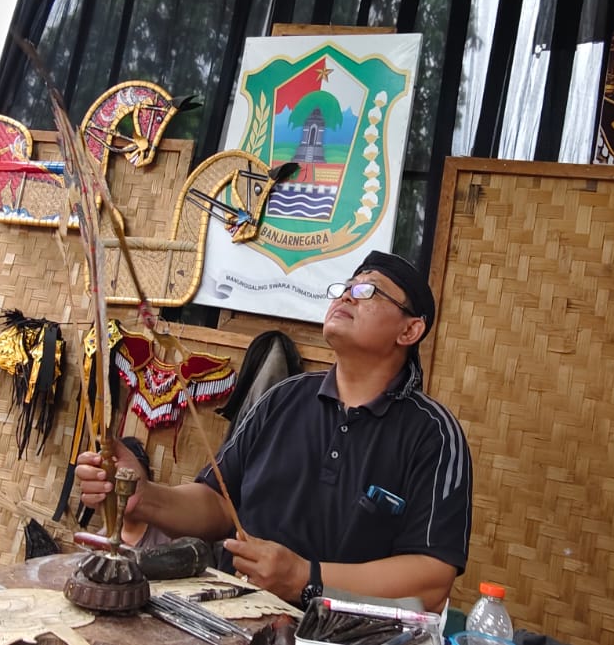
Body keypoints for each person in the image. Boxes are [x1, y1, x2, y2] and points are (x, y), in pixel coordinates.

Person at [76, 251, 472, 612]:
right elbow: (218, 504)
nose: (348, 296)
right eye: (346, 287)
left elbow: (432, 578)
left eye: (368, 290)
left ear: (409, 331)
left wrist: (306, 578)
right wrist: (143, 498)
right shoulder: (284, 399)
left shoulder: (433, 434)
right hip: (233, 620)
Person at [111, 436, 174, 549]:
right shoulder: (102, 538)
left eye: (130, 475)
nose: (124, 482)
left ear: (148, 478)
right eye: (116, 476)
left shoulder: (168, 541)